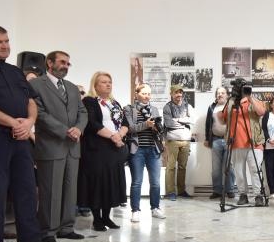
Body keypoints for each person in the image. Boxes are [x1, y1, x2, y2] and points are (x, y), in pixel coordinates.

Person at [0, 24, 53, 242]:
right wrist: (12, 122)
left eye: (7, 41)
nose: (5, 46)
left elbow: (31, 100)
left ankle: (29, 240)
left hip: (21, 139)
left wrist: (28, 122)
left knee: (26, 189)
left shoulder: (15, 71)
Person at [29, 50, 88, 242]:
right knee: (51, 191)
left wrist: (78, 129)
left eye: (68, 63)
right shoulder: (36, 84)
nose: (65, 66)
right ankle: (48, 230)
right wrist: (65, 130)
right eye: (62, 62)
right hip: (51, 145)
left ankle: (67, 227)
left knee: (70, 189)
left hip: (73, 147)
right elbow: (40, 113)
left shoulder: (71, 87)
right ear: (50, 63)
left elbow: (82, 112)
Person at [78, 72, 129, 231]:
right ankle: (97, 219)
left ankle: (107, 217)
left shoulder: (115, 103)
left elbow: (125, 123)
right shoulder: (90, 101)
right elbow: (92, 124)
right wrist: (113, 136)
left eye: (109, 82)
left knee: (111, 182)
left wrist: (120, 134)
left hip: (114, 148)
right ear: (95, 85)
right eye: (103, 82)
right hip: (97, 149)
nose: (108, 84)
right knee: (98, 182)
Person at [124, 83, 166, 222]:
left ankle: (155, 208)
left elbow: (160, 129)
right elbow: (129, 128)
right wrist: (146, 125)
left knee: (155, 182)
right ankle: (135, 210)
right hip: (137, 150)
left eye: (148, 93)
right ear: (136, 94)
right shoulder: (129, 109)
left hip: (153, 149)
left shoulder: (154, 109)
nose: (147, 96)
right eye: (144, 93)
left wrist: (157, 128)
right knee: (137, 182)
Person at [219, 83, 267, 206]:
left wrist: (249, 97)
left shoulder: (254, 100)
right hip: (235, 143)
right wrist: (228, 103)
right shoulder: (231, 102)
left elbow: (261, 112)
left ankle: (258, 195)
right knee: (239, 172)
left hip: (254, 142)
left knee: (255, 170)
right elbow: (222, 119)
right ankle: (243, 195)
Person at [163, 85, 195, 200]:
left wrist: (178, 119)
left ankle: (181, 191)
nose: (179, 95)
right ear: (171, 94)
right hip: (172, 140)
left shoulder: (188, 106)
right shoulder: (167, 107)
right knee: (171, 167)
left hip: (186, 141)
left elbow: (192, 120)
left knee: (182, 167)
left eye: (180, 93)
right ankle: (170, 192)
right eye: (176, 93)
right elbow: (168, 124)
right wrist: (184, 123)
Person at [204, 86, 235, 199]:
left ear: (227, 95)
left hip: (229, 140)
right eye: (218, 93)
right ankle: (216, 190)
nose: (220, 95)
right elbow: (208, 124)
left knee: (229, 167)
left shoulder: (231, 106)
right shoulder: (212, 107)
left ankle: (230, 190)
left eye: (223, 93)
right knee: (216, 168)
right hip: (216, 140)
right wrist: (207, 139)